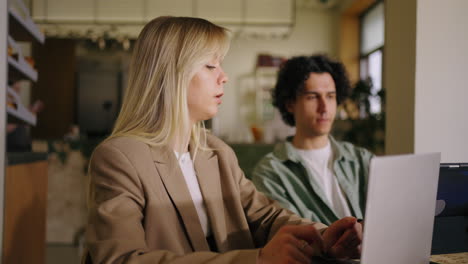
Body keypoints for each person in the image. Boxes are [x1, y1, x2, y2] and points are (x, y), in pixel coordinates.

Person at [85, 17, 362, 264]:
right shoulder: (120, 157)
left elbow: (266, 217)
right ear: (172, 76)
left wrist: (324, 236)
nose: (224, 77)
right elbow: (120, 259)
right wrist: (257, 259)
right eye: (210, 65)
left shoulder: (216, 151)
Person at [252, 55, 374, 226]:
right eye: (312, 97)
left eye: (330, 96)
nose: (324, 108)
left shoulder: (362, 159)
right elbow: (288, 233)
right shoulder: (271, 173)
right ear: (290, 104)